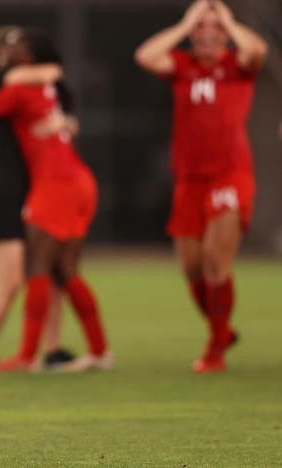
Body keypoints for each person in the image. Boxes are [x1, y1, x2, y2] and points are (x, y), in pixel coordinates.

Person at [0, 28, 112, 373]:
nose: (11, 49)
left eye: (18, 45)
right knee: (65, 271)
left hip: (56, 183)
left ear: (30, 58)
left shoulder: (16, 90)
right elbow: (54, 76)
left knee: (38, 269)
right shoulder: (46, 87)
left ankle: (27, 356)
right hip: (78, 180)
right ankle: (99, 352)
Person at [135, 0, 267, 372]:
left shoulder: (237, 66)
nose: (208, 33)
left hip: (229, 173)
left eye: (216, 28)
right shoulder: (183, 66)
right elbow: (146, 55)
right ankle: (220, 331)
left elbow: (256, 49)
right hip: (189, 178)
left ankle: (215, 350)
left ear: (227, 33)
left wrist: (226, 18)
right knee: (192, 267)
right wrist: (185, 23)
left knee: (214, 259)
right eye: (201, 28)